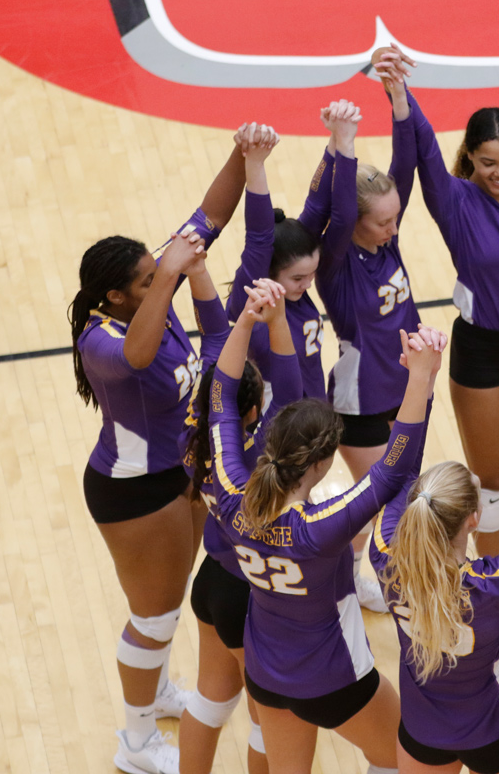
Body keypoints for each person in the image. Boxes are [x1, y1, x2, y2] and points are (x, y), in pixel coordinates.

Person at [374, 7, 499, 662]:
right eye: (490, 162)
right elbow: (426, 151)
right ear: (473, 159)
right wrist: (399, 94)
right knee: (493, 485)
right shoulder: (455, 200)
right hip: (485, 354)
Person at [207, 283, 443, 773]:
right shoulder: (319, 528)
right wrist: (421, 379)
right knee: (399, 759)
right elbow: (394, 470)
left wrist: (246, 319)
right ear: (324, 461)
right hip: (335, 676)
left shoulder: (233, 499)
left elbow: (220, 399)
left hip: (267, 674)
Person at [69, 135, 245, 774]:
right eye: (147, 279)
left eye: (155, 270)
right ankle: (136, 743)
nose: (158, 278)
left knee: (168, 602)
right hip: (134, 491)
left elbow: (213, 216)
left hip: (180, 473)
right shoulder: (102, 340)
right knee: (155, 612)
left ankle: (159, 693)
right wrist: (170, 272)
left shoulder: (149, 288)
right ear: (116, 296)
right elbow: (141, 355)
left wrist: (243, 154)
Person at [368, 340, 499, 774]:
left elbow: (399, 468)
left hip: (423, 732)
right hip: (496, 730)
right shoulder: (496, 582)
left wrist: (421, 379)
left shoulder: (385, 556)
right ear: (474, 522)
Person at [178, 275, 303, 774]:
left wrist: (250, 319)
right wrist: (273, 320)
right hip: (252, 591)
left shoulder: (195, 441)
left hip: (212, 582)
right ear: (253, 411)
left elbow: (221, 391)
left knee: (209, 702)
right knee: (265, 722)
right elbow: (292, 389)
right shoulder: (259, 455)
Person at [309, 84, 424, 614]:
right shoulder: (336, 262)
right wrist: (343, 142)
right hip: (362, 400)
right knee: (387, 496)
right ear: (353, 222)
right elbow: (332, 209)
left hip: (404, 388)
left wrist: (399, 99)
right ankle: (346, 576)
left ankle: (345, 573)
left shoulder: (385, 239)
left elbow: (407, 162)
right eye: (383, 221)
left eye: (396, 217)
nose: (394, 227)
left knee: (380, 498)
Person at [226, 120, 330, 402]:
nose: (308, 285)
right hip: (274, 432)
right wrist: (255, 163)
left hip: (315, 422)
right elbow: (259, 237)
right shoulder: (250, 301)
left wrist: (337, 143)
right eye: (298, 278)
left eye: (311, 275)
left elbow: (318, 206)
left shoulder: (295, 296)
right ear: (267, 274)